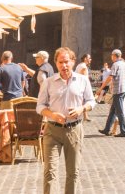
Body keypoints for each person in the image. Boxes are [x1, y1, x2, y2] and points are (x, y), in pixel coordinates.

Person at [37, 46, 94, 194]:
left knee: (73, 172)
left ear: (73, 62)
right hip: (52, 130)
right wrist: (52, 114)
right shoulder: (48, 82)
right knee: (50, 172)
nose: (64, 65)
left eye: (66, 62)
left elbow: (91, 101)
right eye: (60, 62)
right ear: (56, 63)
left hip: (74, 129)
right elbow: (40, 106)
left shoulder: (82, 80)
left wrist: (82, 109)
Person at [96, 49, 125, 137]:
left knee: (119, 111)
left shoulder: (115, 64)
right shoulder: (124, 64)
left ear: (114, 56)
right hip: (123, 89)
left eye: (112, 55)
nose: (111, 57)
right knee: (113, 111)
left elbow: (110, 77)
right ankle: (107, 129)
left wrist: (101, 88)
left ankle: (124, 131)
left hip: (118, 90)